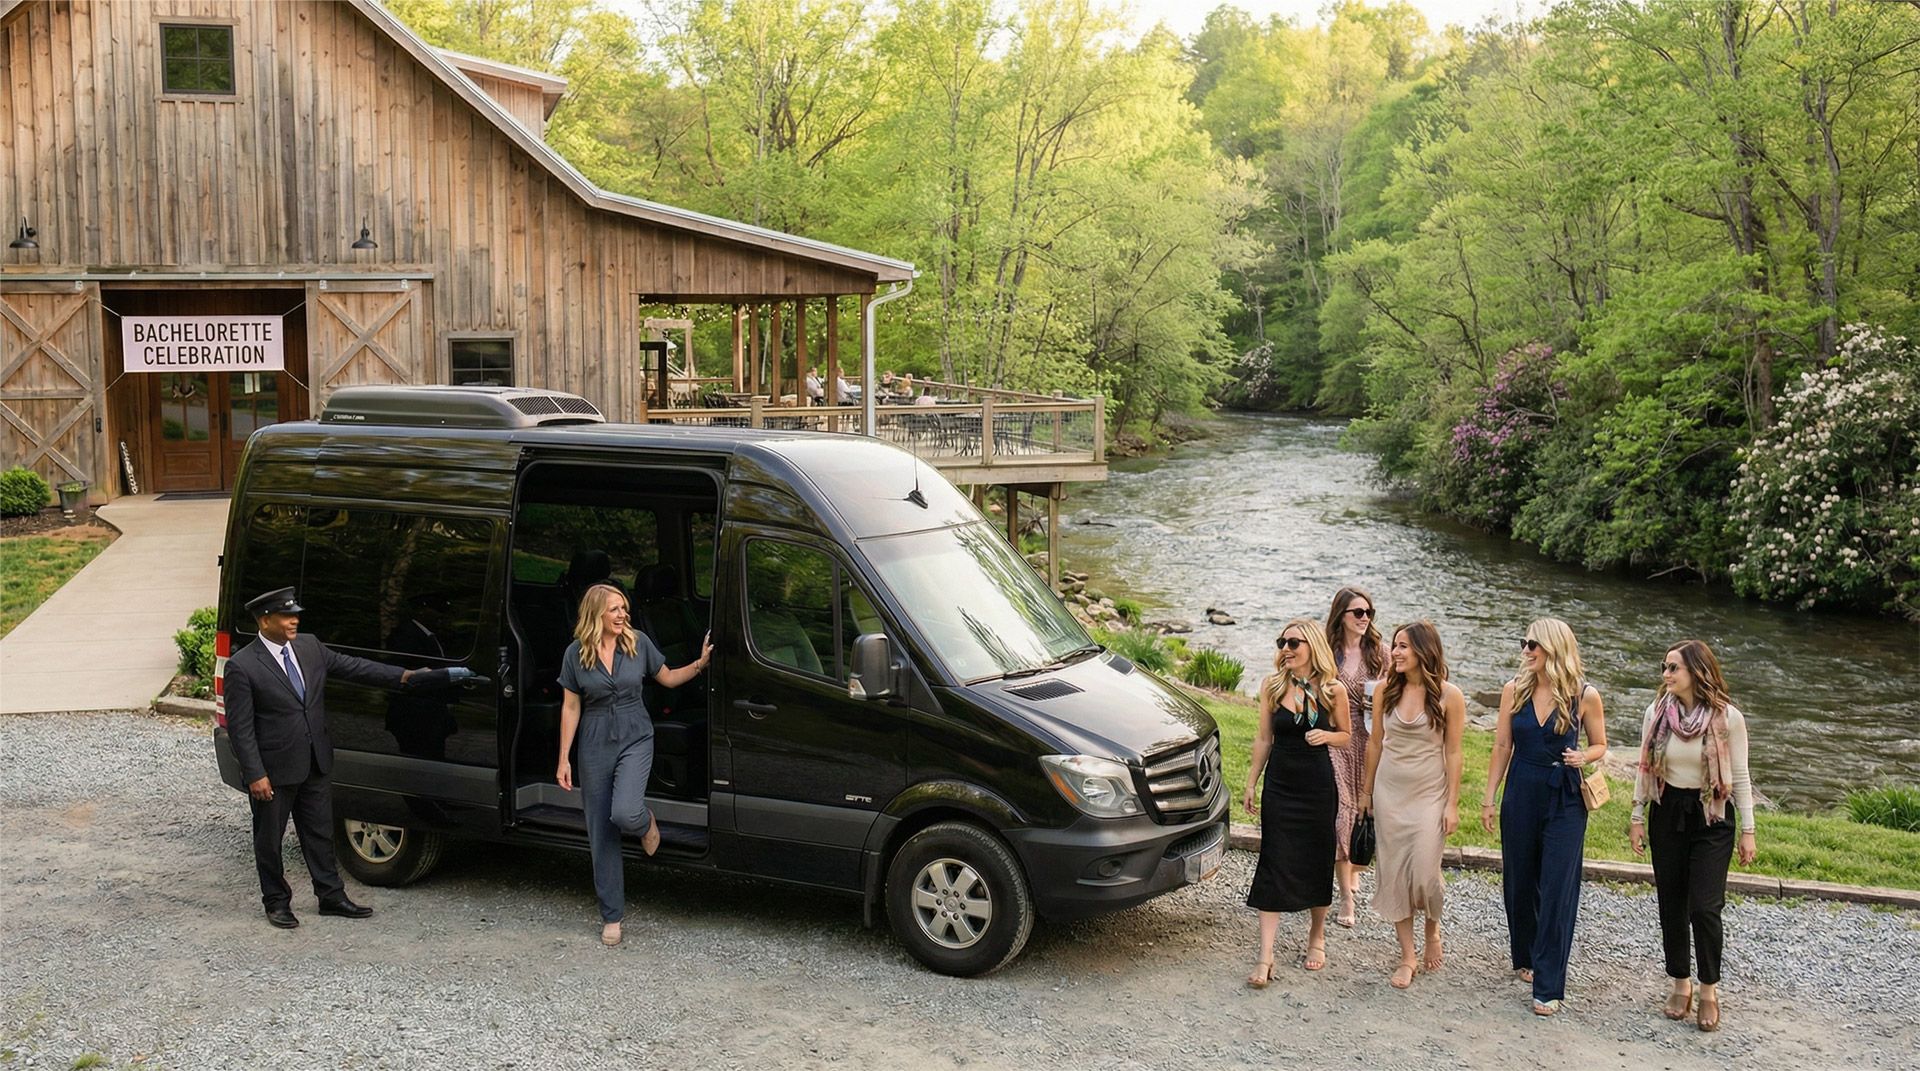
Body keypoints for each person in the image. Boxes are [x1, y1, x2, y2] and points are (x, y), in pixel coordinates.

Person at [223, 586, 466, 929]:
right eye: (287, 616)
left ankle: (331, 896)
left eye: (296, 615)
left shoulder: (309, 646)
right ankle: (276, 901)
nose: (295, 621)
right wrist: (254, 774)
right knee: (269, 839)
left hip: (315, 761)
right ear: (265, 621)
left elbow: (355, 667)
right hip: (274, 770)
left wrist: (405, 677)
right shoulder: (243, 666)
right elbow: (241, 728)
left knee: (320, 832)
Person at [556, 582, 713, 946]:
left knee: (624, 812)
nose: (623, 614)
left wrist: (700, 664)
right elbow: (571, 706)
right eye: (615, 609)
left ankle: (645, 823)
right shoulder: (575, 654)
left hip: (635, 735)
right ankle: (612, 915)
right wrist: (563, 757)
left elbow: (668, 677)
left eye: (624, 608)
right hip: (594, 741)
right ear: (596, 613)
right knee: (600, 828)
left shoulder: (638, 642)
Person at [1481, 617, 1608, 1015]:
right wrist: (1489, 797)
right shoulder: (1513, 691)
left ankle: (1549, 985)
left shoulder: (1584, 695)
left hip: (1564, 798)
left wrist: (1583, 755)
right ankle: (1528, 955)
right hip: (1521, 790)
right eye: (1524, 643)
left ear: (1554, 648)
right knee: (1519, 879)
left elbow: (1601, 744)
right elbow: (1502, 745)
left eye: (1533, 644)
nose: (1526, 650)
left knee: (1557, 887)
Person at [1629, 640, 1757, 1033]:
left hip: (1712, 816)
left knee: (1704, 906)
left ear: (1696, 672)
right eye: (1664, 668)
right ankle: (1679, 984)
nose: (1665, 675)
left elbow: (1741, 776)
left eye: (1673, 669)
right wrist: (1637, 814)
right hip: (1667, 812)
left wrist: (1748, 830)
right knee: (1672, 901)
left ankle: (1709, 990)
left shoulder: (1727, 718)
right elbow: (1644, 766)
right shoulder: (1657, 712)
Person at [1244, 619, 1351, 986]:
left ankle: (1317, 936)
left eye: (1294, 642)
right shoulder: (1272, 686)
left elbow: (1347, 736)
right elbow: (1263, 738)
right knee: (1274, 858)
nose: (1286, 649)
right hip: (1281, 783)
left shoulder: (1333, 690)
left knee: (1318, 857)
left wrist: (1327, 735)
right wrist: (1251, 781)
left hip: (1317, 786)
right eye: (1282, 642)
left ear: (1313, 646)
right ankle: (1265, 955)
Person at [1357, 621, 1465, 989]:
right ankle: (1407, 956)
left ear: (1424, 650)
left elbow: (1453, 751)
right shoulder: (1384, 690)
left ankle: (1432, 929)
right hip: (1389, 794)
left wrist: (1452, 803)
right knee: (1394, 875)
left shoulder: (1450, 696)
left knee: (1424, 873)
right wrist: (1366, 793)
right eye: (1395, 646)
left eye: (1403, 646)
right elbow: (1374, 743)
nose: (1396, 653)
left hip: (1429, 795)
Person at [1325, 586, 1385, 927]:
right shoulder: (1328, 653)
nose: (1364, 619)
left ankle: (1357, 867)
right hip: (1339, 741)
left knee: (1367, 813)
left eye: (1369, 613)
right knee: (1341, 815)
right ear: (1341, 616)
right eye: (1357, 613)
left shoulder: (1381, 652)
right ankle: (1346, 897)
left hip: (1372, 740)